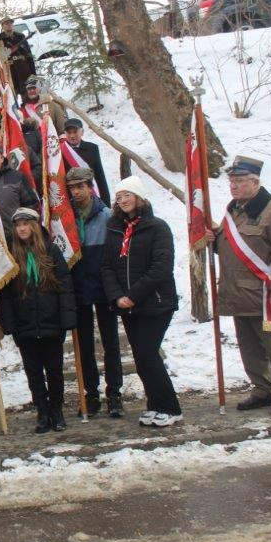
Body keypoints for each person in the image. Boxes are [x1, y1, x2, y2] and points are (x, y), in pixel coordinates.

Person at [211, 156, 271, 415]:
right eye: (232, 181)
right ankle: (262, 388)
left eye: (239, 181)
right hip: (239, 294)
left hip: (265, 294)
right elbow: (235, 249)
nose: (234, 186)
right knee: (249, 347)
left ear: (255, 182)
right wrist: (214, 240)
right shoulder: (235, 211)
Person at [101, 176, 183, 427]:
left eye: (127, 195)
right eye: (119, 196)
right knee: (140, 356)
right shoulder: (115, 228)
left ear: (139, 197)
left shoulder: (157, 227)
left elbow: (161, 267)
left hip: (155, 303)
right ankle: (154, 404)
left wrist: (132, 296)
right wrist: (117, 296)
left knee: (148, 353)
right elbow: (107, 266)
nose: (123, 200)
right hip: (127, 305)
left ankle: (170, 407)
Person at [0, 208, 77, 433]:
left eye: (26, 223)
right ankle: (42, 411)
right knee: (33, 372)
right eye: (18, 225)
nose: (22, 228)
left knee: (54, 371)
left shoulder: (51, 250)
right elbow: (5, 295)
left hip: (51, 322)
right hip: (25, 325)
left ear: (34, 225)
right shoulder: (11, 254)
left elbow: (64, 285)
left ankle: (57, 411)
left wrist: (66, 318)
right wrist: (10, 324)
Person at [66, 167, 123, 417]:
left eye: (81, 186)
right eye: (73, 188)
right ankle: (91, 393)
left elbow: (115, 254)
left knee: (110, 342)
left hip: (103, 287)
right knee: (84, 345)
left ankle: (114, 393)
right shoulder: (64, 218)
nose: (77, 192)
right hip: (78, 288)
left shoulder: (108, 216)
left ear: (91, 187)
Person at [0, 144, 40, 238]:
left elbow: (31, 204)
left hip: (16, 238)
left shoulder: (17, 177)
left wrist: (23, 227)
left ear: (1, 158)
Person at [62, 119, 111, 201]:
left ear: (82, 132)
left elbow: (99, 176)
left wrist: (106, 202)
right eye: (69, 133)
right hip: (72, 198)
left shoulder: (92, 148)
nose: (72, 135)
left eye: (75, 132)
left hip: (92, 196)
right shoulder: (61, 151)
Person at [0, 17, 36, 100]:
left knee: (28, 97)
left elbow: (28, 55)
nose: (9, 25)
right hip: (10, 72)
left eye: (10, 23)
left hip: (23, 70)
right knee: (12, 98)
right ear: (2, 26)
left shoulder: (20, 36)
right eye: (6, 23)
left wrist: (33, 73)